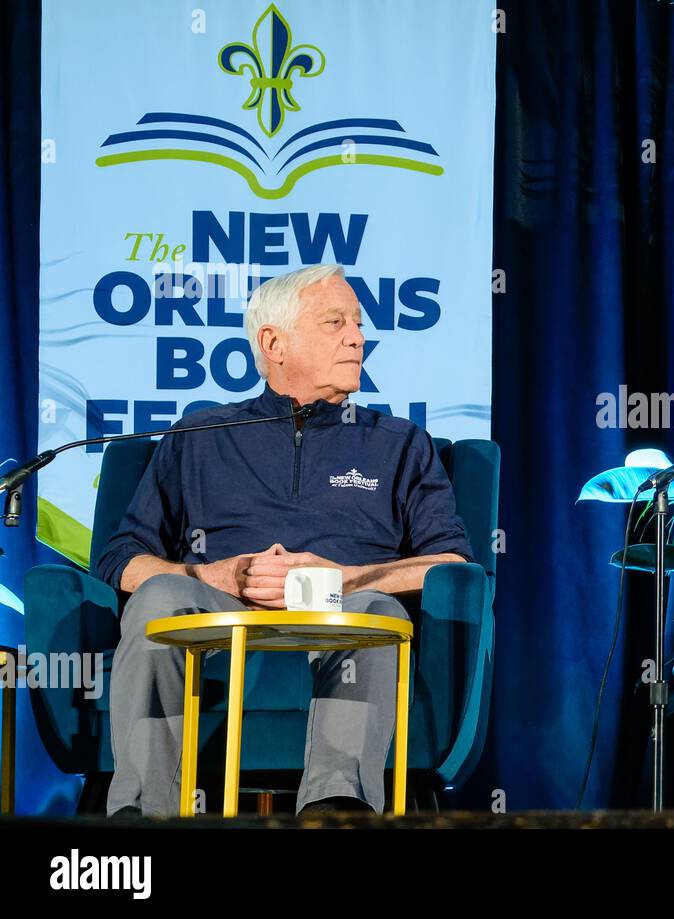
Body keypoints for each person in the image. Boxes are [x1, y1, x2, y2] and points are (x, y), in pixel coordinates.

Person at [94, 263, 473, 817]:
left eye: (359, 323)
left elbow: (450, 563)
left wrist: (340, 578)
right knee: (158, 598)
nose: (358, 336)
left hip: (339, 603)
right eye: (335, 321)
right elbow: (119, 559)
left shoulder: (399, 443)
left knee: (376, 610)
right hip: (219, 605)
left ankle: (336, 805)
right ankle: (144, 813)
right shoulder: (199, 436)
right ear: (273, 342)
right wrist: (210, 575)